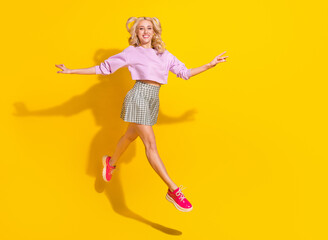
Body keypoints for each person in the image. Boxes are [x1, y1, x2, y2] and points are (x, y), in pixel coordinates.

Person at [55, 16, 228, 212]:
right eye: (141, 29)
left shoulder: (165, 54)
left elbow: (185, 73)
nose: (145, 32)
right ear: (136, 33)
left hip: (153, 98)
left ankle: (110, 163)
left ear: (155, 32)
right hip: (138, 96)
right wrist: (71, 71)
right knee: (151, 146)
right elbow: (104, 68)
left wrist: (209, 65)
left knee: (129, 136)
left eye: (149, 28)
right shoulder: (132, 52)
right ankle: (173, 190)